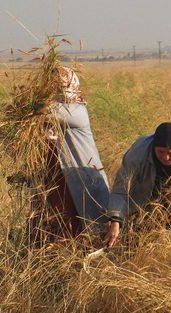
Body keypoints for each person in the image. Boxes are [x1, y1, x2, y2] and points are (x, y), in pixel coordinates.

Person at [103, 122, 171, 247]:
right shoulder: (138, 151)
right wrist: (115, 220)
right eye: (161, 152)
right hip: (143, 203)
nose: (166, 157)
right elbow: (120, 189)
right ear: (153, 146)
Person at [33, 67, 110, 244]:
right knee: (58, 221)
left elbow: (41, 109)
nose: (58, 90)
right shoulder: (56, 114)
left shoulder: (76, 110)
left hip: (81, 175)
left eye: (61, 85)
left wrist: (36, 96)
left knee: (88, 223)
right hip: (60, 176)